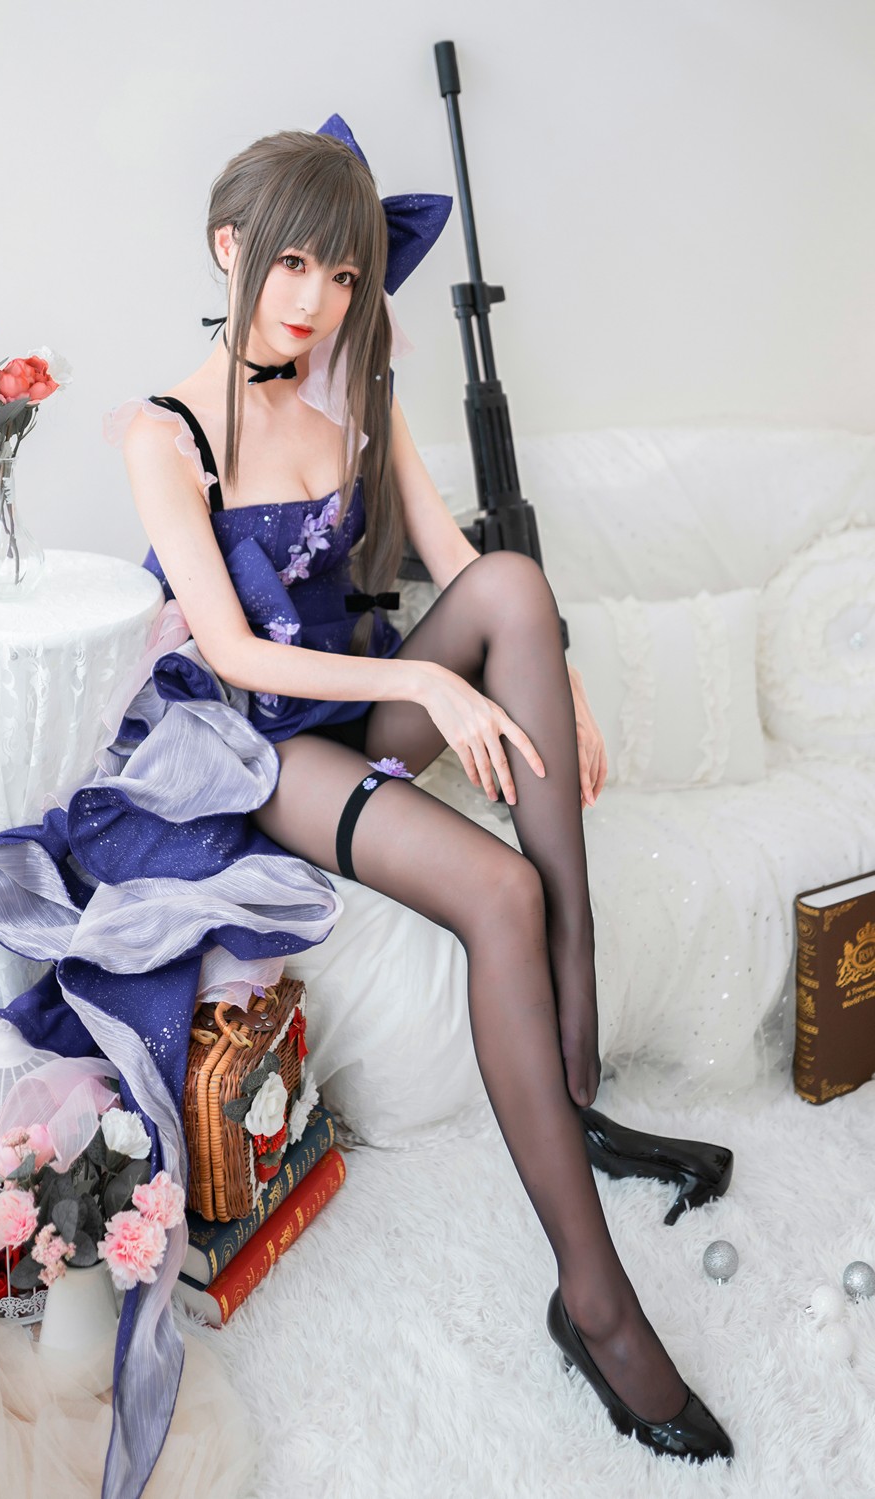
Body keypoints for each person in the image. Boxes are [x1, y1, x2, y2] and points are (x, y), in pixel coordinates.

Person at [112, 117, 735, 1464]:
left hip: (358, 701)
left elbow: (459, 563)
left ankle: (575, 1069)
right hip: (263, 747)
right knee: (499, 891)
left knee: (512, 581)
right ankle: (596, 1305)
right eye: (292, 265)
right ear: (227, 249)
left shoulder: (350, 398)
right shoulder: (163, 433)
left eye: (343, 275)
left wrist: (553, 679)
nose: (317, 301)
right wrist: (437, 688)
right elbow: (233, 653)